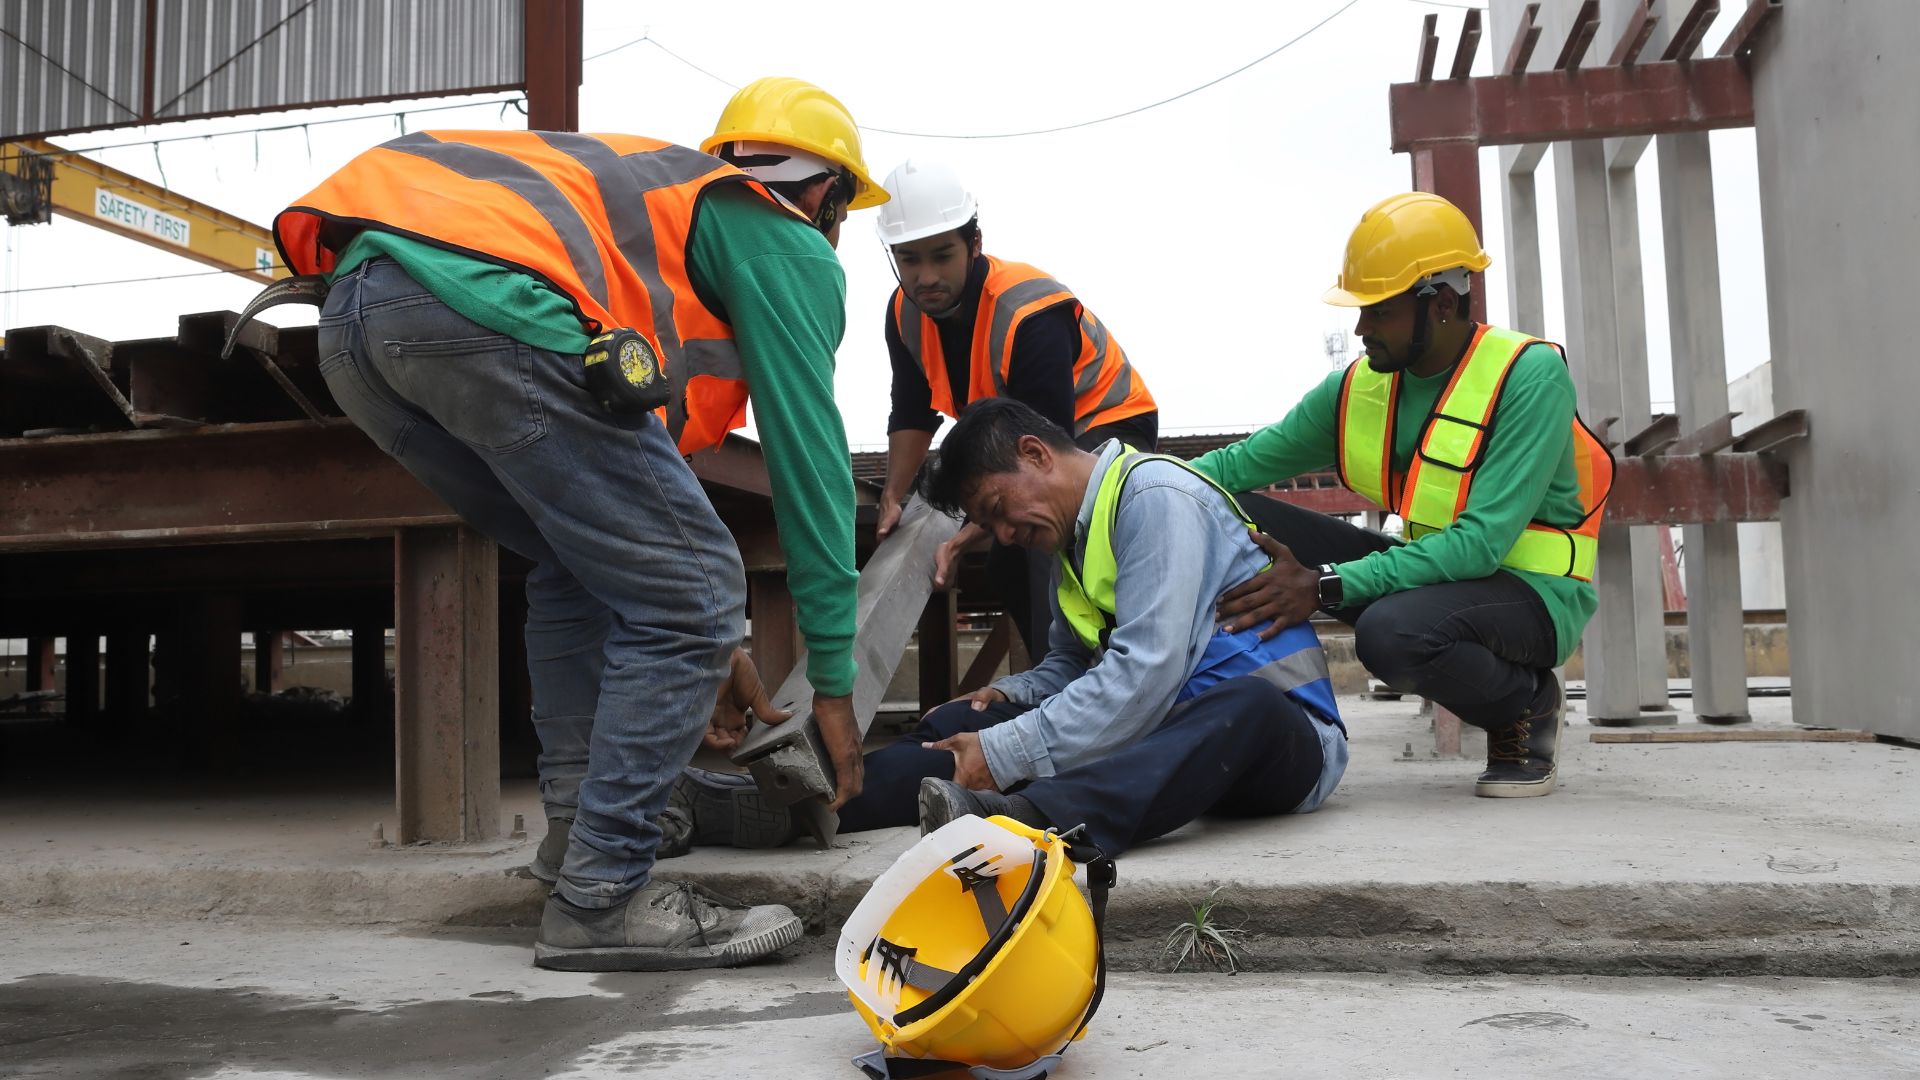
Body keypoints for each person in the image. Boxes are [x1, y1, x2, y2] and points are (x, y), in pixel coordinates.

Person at [272, 76, 886, 970]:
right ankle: (604, 896)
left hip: (358, 320)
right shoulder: (781, 238)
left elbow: (630, 529)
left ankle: (577, 851)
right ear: (826, 196)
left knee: (576, 565)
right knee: (700, 588)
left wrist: (717, 650)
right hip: (479, 305)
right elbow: (812, 459)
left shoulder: (658, 223)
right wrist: (833, 680)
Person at [1192, 192, 1613, 799]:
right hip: (1438, 578)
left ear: (1441, 303)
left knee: (1390, 634)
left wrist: (1324, 583)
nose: (1360, 328)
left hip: (1530, 596)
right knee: (1230, 510)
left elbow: (1480, 546)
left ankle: (1526, 703)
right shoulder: (1361, 388)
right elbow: (1233, 466)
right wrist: (1123, 487)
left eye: (1378, 311)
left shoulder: (1529, 376)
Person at [834, 398, 1348, 857]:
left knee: (1246, 704)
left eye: (997, 510)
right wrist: (1008, 694)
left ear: (1036, 453)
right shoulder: (1072, 542)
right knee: (964, 723)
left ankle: (1027, 819)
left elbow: (1146, 672)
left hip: (1281, 740)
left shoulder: (1157, 496)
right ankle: (819, 801)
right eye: (990, 528)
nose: (1007, 536)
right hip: (1159, 730)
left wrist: (1007, 750)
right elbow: (1073, 666)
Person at [872, 159, 1159, 655]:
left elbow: (1044, 457)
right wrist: (893, 495)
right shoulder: (904, 314)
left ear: (975, 244)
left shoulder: (1029, 311)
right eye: (909, 258)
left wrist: (961, 540)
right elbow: (913, 411)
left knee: (1042, 539)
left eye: (942, 256)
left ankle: (1090, 685)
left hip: (1103, 426)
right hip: (1021, 440)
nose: (925, 277)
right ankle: (1058, 679)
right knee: (1008, 564)